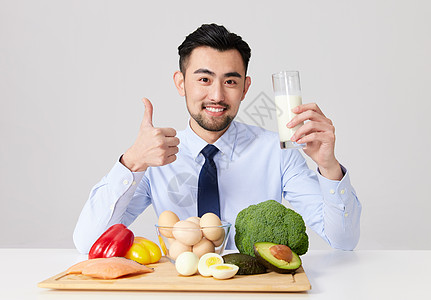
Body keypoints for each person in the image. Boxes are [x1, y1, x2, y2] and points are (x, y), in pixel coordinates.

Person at [73, 23, 361, 254]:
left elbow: (344, 241)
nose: (217, 95)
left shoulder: (277, 151)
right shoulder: (155, 157)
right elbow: (88, 242)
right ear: (180, 83)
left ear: (245, 88)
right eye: (204, 79)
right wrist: (131, 162)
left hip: (254, 287)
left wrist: (329, 166)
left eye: (230, 81)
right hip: (179, 287)